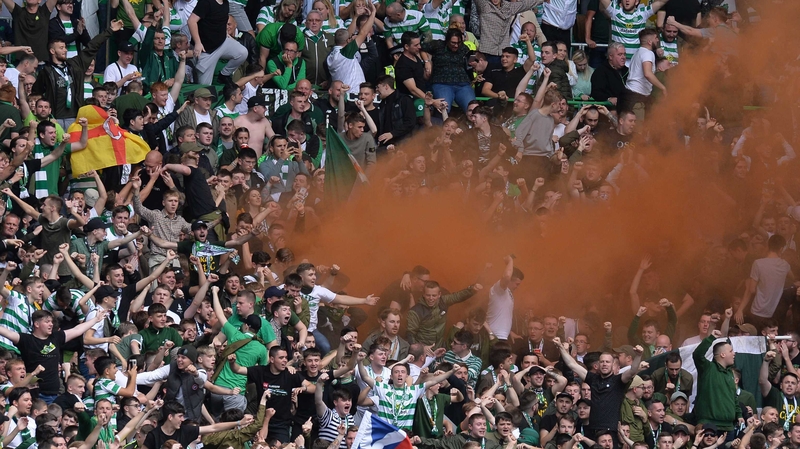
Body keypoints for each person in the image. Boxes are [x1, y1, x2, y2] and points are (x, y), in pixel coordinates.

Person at [187, 0, 248, 86]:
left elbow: (220, 22)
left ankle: (224, 75)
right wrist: (197, 43)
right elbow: (191, 21)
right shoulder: (206, 2)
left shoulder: (226, 3)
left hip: (222, 42)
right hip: (206, 50)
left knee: (242, 52)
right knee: (204, 87)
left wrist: (226, 35)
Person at [693, 330, 743, 432]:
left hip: (729, 427)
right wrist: (711, 338)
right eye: (731, 351)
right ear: (722, 354)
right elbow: (697, 355)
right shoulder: (707, 368)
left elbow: (733, 397)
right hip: (709, 426)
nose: (734, 353)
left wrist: (739, 414)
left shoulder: (730, 374)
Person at [623, 29, 667, 120]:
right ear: (649, 42)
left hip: (630, 95)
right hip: (637, 97)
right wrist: (663, 87)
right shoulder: (648, 53)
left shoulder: (638, 52)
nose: (658, 40)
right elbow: (647, 74)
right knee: (637, 130)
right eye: (656, 38)